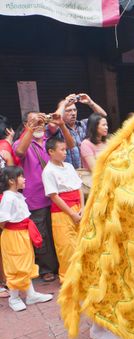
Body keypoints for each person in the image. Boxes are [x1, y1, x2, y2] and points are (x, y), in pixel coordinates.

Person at [13, 104, 75, 282]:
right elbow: (19, 152)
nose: (40, 124)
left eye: (41, 121)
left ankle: (62, 265)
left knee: (59, 232)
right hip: (36, 198)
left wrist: (61, 124)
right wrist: (31, 130)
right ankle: (47, 268)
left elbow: (70, 145)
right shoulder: (23, 141)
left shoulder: (50, 139)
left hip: (58, 197)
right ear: (26, 124)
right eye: (34, 121)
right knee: (42, 234)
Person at [0, 166, 54, 311]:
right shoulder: (8, 198)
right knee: (16, 265)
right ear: (11, 181)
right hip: (14, 235)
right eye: (21, 176)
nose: (24, 179)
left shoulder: (16, 195)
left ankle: (31, 294)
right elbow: (2, 221)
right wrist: (14, 229)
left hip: (23, 233)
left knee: (26, 262)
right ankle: (14, 297)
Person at [42, 138, 84, 282]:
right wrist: (72, 214)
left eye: (65, 149)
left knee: (81, 243)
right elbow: (54, 196)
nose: (65, 152)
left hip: (78, 208)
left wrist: (83, 208)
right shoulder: (48, 171)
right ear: (51, 152)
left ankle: (83, 275)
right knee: (66, 248)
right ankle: (68, 279)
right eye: (62, 150)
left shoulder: (69, 166)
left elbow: (79, 188)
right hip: (62, 212)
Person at [48, 93, 107, 169]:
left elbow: (102, 116)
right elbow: (52, 125)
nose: (73, 113)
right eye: (68, 110)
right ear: (62, 112)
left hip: (86, 171)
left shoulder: (83, 124)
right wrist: (64, 104)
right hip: (68, 172)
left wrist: (90, 102)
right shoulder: (58, 127)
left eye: (74, 110)